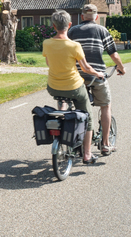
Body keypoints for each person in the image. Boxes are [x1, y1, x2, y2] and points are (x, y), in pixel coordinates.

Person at [42, 9, 105, 164]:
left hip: (53, 87)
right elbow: (86, 68)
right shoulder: (74, 46)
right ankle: (87, 154)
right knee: (88, 117)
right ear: (69, 25)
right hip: (74, 88)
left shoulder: (47, 43)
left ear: (53, 26)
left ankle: (63, 124)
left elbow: (49, 63)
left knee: (63, 102)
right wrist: (98, 74)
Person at [68, 4, 125, 155]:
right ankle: (106, 144)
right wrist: (121, 68)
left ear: (82, 17)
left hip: (77, 77)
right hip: (97, 76)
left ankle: (78, 141)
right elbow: (113, 54)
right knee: (105, 106)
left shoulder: (72, 31)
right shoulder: (102, 30)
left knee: (79, 107)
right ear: (97, 17)